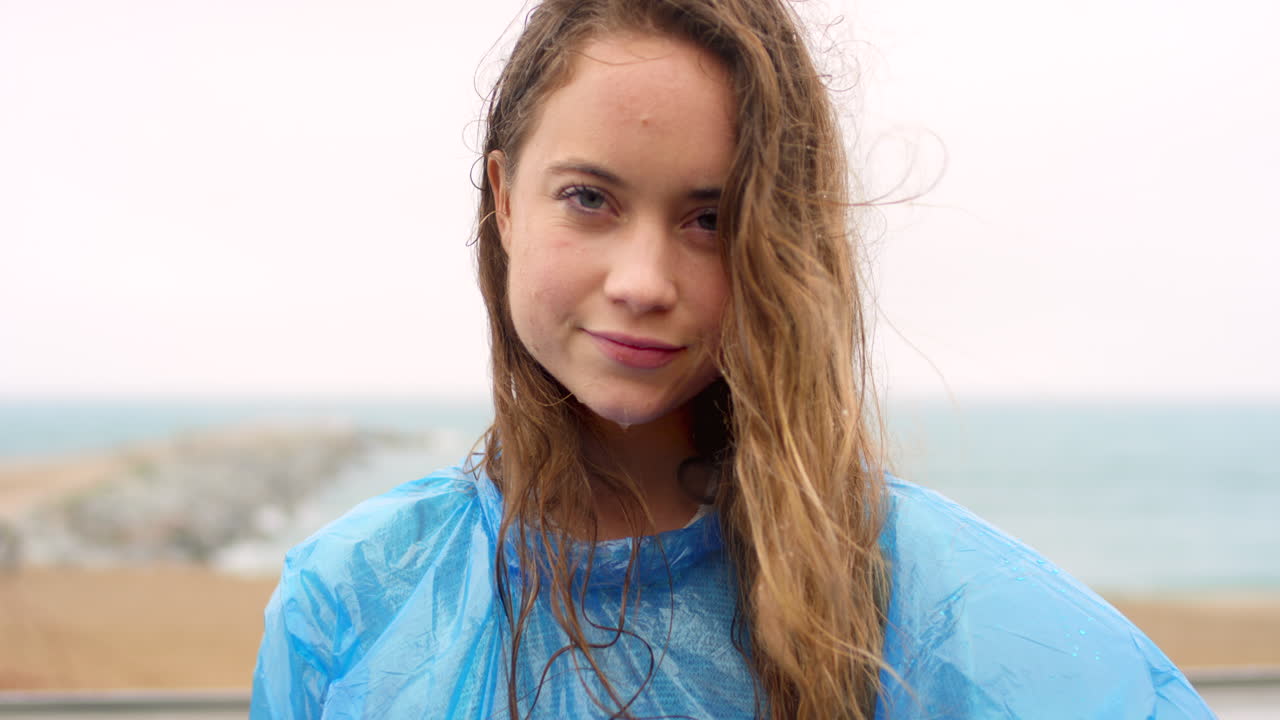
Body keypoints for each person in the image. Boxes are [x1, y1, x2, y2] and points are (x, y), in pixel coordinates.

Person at [250, 1, 1213, 718]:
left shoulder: (921, 604)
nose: (643, 279)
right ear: (504, 200)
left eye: (711, 219)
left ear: (781, 246)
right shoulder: (352, 602)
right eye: (590, 197)